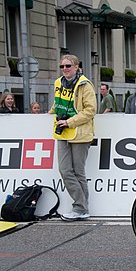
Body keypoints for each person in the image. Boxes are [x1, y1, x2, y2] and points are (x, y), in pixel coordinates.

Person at [49, 54, 97, 221]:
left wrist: (69, 122)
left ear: (77, 67)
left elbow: (91, 110)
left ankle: (80, 208)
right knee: (64, 170)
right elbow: (57, 104)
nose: (65, 69)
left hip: (80, 133)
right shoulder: (58, 83)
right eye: (62, 66)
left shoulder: (85, 85)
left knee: (78, 172)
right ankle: (81, 207)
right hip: (62, 132)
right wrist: (50, 114)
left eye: (68, 66)